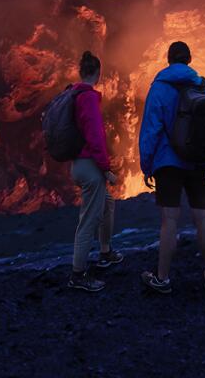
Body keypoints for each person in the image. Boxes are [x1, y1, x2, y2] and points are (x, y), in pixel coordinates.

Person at [138, 41, 205, 294]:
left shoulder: (160, 89)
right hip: (198, 161)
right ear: (189, 60)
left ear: (169, 60)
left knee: (169, 220)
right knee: (202, 218)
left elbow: (151, 130)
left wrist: (147, 165)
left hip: (168, 164)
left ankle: (162, 278)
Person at [68, 50, 123, 292]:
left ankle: (105, 251)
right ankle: (78, 275)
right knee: (89, 220)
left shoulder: (73, 94)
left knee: (107, 203)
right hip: (89, 166)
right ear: (98, 74)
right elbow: (96, 137)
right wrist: (106, 169)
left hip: (79, 164)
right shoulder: (87, 98)